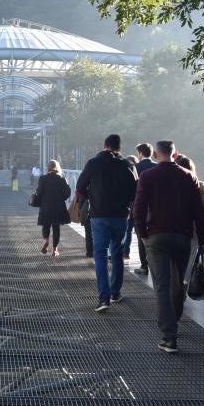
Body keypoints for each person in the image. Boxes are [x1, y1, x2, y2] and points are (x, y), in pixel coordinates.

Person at [133, 140, 204, 353]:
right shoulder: (188, 176)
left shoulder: (148, 176)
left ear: (155, 155)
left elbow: (139, 209)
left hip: (157, 236)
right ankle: (173, 319)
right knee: (178, 283)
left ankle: (169, 336)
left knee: (162, 286)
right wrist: (201, 239)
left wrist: (142, 235)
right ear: (174, 155)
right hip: (182, 237)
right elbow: (199, 211)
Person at [75, 134, 138, 312]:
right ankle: (116, 292)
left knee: (100, 255)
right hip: (120, 216)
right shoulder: (128, 165)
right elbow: (135, 192)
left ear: (104, 146)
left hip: (99, 216)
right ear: (119, 147)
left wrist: (92, 197)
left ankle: (103, 298)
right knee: (117, 252)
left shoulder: (93, 163)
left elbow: (80, 187)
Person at [175, 154, 204, 285]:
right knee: (190, 257)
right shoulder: (199, 185)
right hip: (194, 228)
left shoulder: (172, 184)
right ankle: (184, 284)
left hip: (174, 226)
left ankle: (175, 284)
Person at [36, 160, 71, 257]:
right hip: (58, 206)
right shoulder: (61, 178)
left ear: (48, 168)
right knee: (56, 227)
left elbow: (39, 193)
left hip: (46, 206)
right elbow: (68, 192)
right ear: (57, 168)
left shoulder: (42, 178)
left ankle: (46, 240)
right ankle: (54, 250)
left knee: (46, 225)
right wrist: (61, 198)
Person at [133, 143, 159, 276]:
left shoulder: (135, 167)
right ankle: (155, 262)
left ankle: (144, 265)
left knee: (140, 236)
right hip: (156, 206)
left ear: (141, 153)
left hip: (139, 205)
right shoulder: (157, 167)